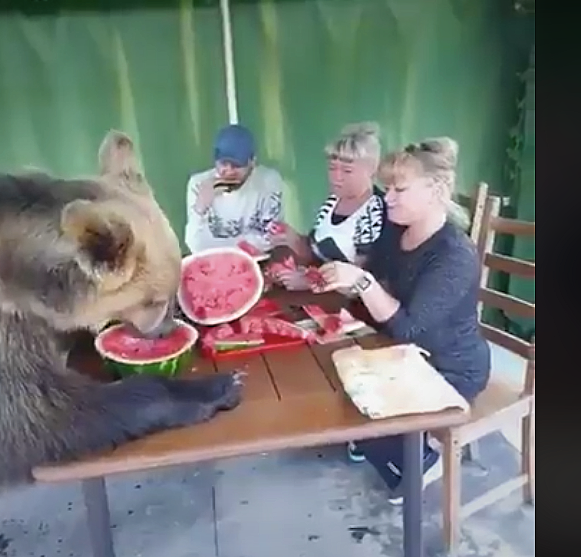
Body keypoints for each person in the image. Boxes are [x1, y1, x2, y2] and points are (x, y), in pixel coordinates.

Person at [318, 137, 491, 504]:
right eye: (388, 187)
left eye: (399, 189)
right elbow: (377, 279)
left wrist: (360, 282)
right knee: (334, 396)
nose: (388, 197)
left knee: (354, 418)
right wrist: (335, 278)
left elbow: (408, 326)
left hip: (448, 367)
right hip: (403, 352)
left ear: (435, 191)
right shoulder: (396, 231)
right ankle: (396, 444)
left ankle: (427, 458)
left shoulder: (454, 255)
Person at [268, 122, 387, 290]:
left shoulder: (375, 212)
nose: (336, 177)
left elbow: (363, 279)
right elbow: (316, 257)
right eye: (332, 168)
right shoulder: (332, 202)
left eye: (347, 171)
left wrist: (311, 283)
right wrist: (294, 240)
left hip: (355, 309)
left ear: (372, 169)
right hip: (324, 299)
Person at [184, 124, 285, 254]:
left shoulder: (269, 181)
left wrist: (219, 246)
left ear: (252, 162)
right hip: (213, 263)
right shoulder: (198, 184)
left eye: (237, 165)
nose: (229, 171)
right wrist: (200, 208)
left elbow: (272, 238)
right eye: (223, 164)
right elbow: (195, 245)